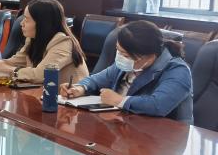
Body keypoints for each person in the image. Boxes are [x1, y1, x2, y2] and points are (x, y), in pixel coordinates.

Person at [61, 20, 193, 122]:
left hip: (163, 137)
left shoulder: (178, 71)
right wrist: (80, 88)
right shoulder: (127, 64)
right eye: (118, 50)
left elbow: (158, 105)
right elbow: (96, 79)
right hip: (125, 126)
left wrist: (119, 100)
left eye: (125, 54)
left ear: (149, 57)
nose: (119, 57)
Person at [0, 0, 89, 83]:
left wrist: (13, 71)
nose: (22, 23)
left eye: (27, 19)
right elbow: (10, 62)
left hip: (69, 106)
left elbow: (40, 75)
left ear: (42, 23)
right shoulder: (33, 40)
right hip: (43, 96)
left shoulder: (64, 43)